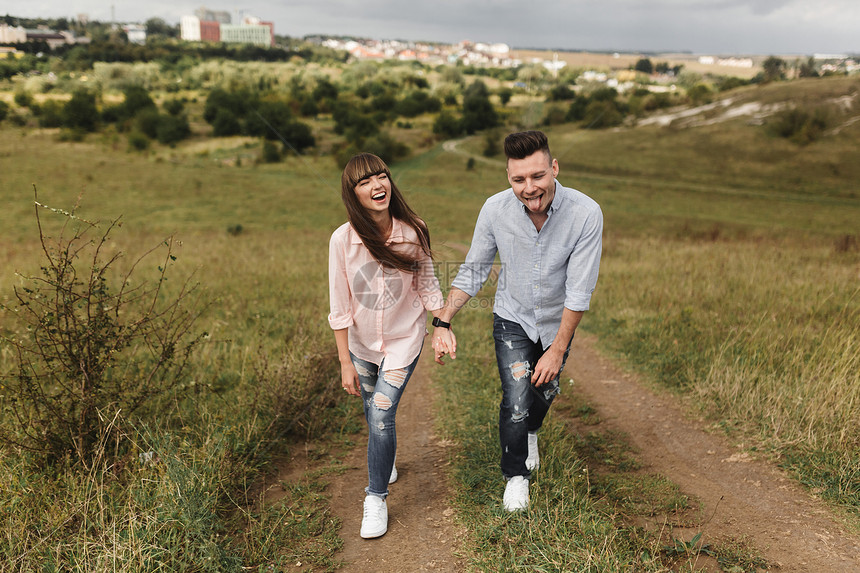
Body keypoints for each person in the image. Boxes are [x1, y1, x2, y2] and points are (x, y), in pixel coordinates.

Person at [432, 130, 603, 511]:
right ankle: (515, 477)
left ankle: (532, 433)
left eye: (538, 176)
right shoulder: (494, 210)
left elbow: (579, 292)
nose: (530, 188)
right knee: (516, 398)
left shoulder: (586, 213)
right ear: (508, 177)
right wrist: (443, 321)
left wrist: (557, 350)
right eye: (518, 179)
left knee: (544, 392)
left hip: (558, 321)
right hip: (512, 317)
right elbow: (474, 270)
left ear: (554, 168)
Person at [328, 153, 446, 538]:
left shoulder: (414, 230)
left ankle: (375, 497)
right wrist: (345, 361)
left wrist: (443, 326)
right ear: (353, 193)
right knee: (370, 408)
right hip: (361, 345)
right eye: (365, 182)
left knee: (381, 414)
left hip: (402, 341)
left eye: (382, 177)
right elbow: (340, 305)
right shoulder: (342, 240)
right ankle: (386, 459)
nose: (377, 186)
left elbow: (427, 285)